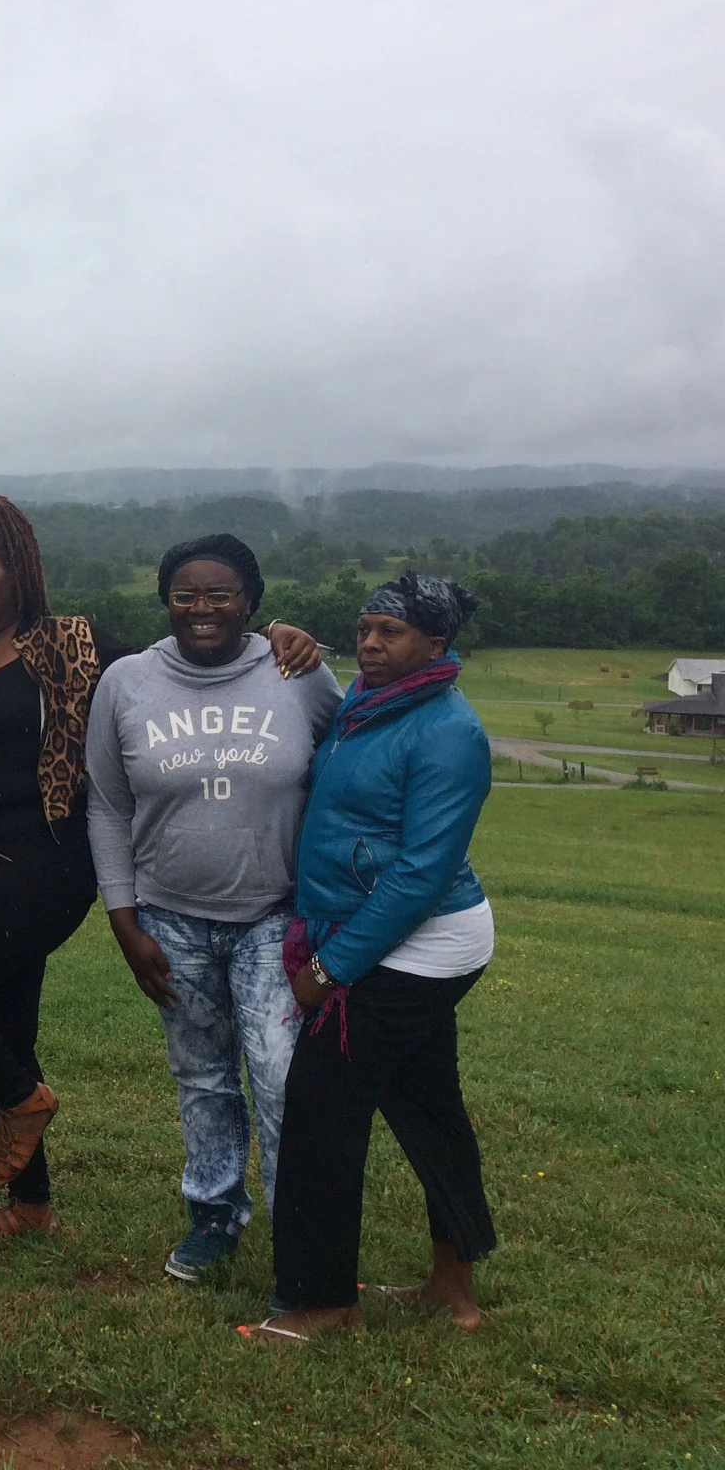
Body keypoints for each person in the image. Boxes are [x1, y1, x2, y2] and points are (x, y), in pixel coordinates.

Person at [0, 498, 320, 1240]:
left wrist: (271, 636)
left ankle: (23, 1100)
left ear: (16, 571)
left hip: (41, 859)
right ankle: (32, 1205)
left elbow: (180, 658)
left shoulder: (70, 645)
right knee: (7, 1026)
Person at [85, 535, 343, 1284]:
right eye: (185, 595)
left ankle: (302, 1226)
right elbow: (105, 806)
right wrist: (123, 919)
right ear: (165, 601)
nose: (202, 609)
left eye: (221, 594)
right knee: (201, 1076)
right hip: (168, 916)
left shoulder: (297, 671)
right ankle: (214, 1217)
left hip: (274, 913)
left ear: (251, 601)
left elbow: (353, 747)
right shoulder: (127, 682)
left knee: (279, 1070)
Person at [251, 572, 497, 1343]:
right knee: (429, 1109)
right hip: (381, 932)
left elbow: (420, 875)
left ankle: (324, 1303)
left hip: (416, 942)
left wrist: (329, 971)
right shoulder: (369, 698)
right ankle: (452, 1291)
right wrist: (285, 630)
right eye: (363, 628)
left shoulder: (448, 731)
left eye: (389, 634)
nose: (370, 644)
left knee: (322, 1110)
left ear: (437, 642)